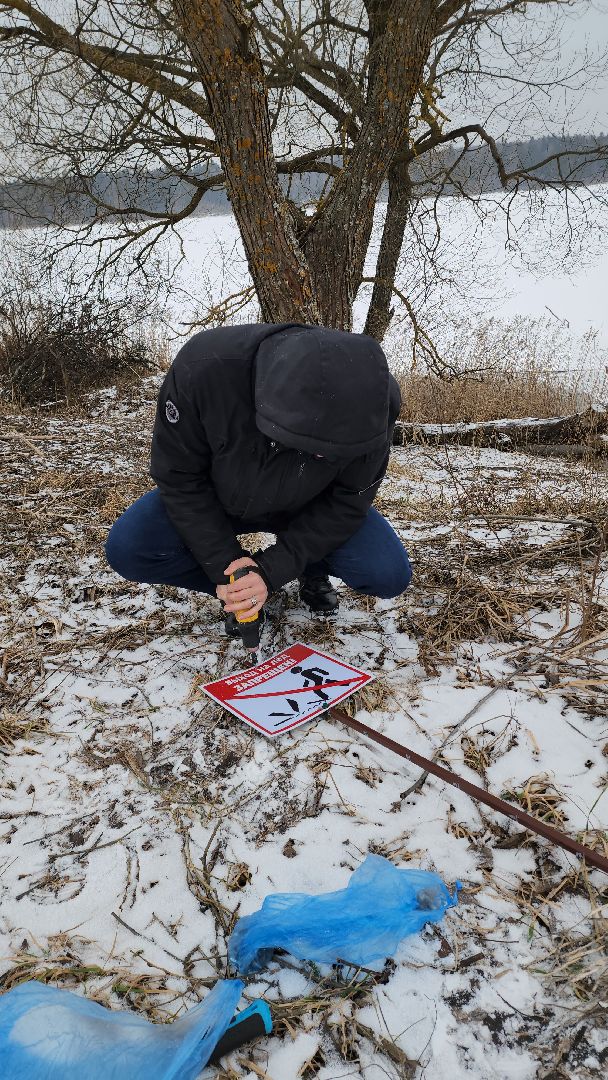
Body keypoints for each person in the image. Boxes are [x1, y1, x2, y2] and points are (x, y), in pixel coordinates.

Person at [105, 323, 412, 630]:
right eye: (315, 448)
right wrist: (230, 571)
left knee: (386, 573)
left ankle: (310, 568)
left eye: (335, 453)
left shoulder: (376, 404)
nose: (324, 458)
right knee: (130, 547)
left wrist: (273, 570)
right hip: (219, 499)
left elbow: (349, 501)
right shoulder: (204, 371)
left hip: (308, 504)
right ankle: (237, 595)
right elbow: (180, 478)